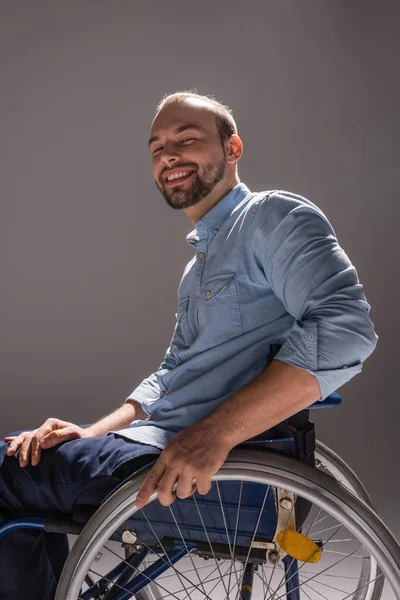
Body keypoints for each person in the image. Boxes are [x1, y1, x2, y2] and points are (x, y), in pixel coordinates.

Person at [0, 90, 378, 599]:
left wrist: (216, 435)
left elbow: (346, 329)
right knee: (26, 453)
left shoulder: (272, 218)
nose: (168, 156)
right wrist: (90, 433)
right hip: (161, 441)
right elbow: (171, 373)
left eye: (187, 139)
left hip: (203, 463)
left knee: (6, 471)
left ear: (233, 148)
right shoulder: (199, 265)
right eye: (157, 148)